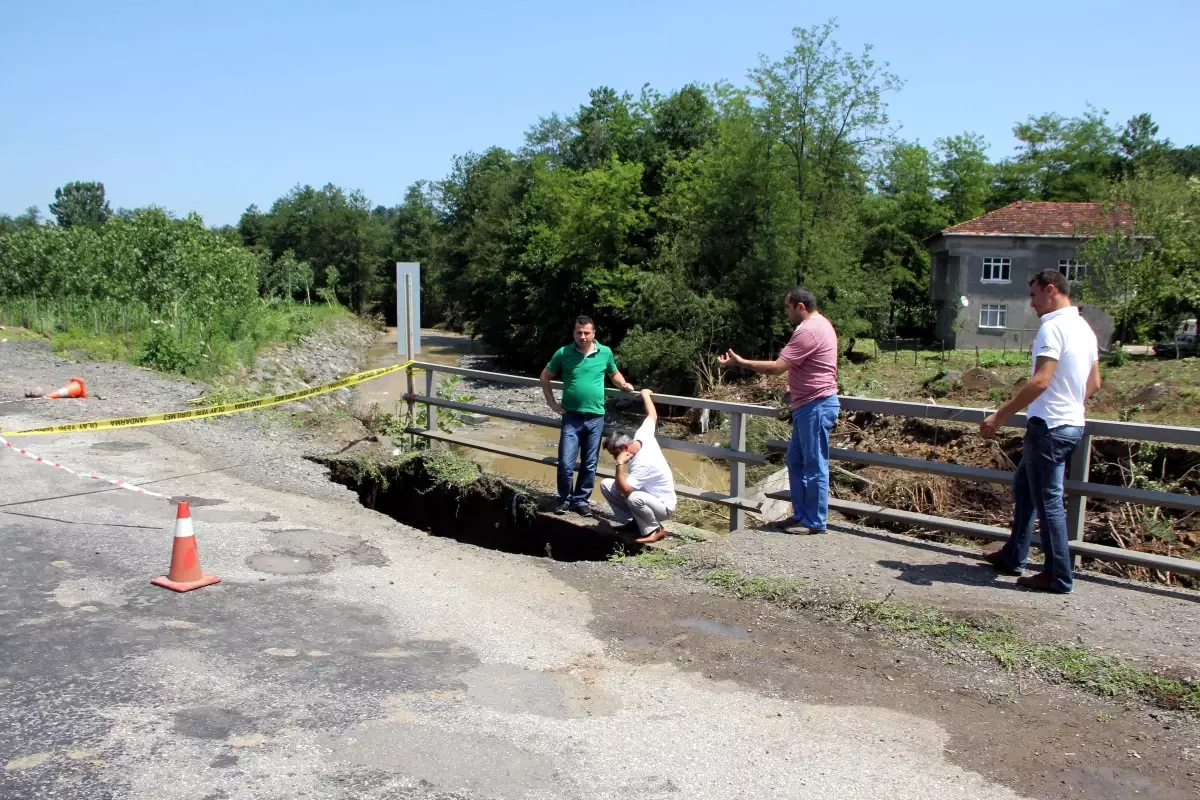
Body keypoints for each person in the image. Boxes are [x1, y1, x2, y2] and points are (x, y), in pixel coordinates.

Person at [980, 269, 1101, 594]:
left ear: (1051, 290)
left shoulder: (1053, 328)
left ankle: (1058, 575)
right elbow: (1094, 383)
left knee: (1047, 501)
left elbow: (1040, 380)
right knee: (1024, 488)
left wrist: (998, 417)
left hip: (1048, 427)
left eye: (1033, 295)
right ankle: (1013, 555)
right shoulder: (1084, 329)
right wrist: (1071, 404)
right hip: (1071, 424)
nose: (1031, 304)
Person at [718, 288, 839, 535]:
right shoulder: (821, 325)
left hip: (816, 405)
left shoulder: (808, 330)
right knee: (795, 461)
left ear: (800, 306)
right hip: (808, 404)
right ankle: (801, 515)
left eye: (787, 307)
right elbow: (807, 367)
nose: (785, 312)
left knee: (815, 465)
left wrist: (741, 363)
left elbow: (777, 367)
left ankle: (814, 522)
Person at [541, 316, 636, 516]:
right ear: (574, 333)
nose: (582, 337)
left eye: (586, 333)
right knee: (566, 462)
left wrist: (624, 385)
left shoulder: (605, 352)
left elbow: (614, 373)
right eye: (578, 332)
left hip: (596, 417)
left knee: (590, 462)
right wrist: (551, 403)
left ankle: (581, 501)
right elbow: (545, 377)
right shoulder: (563, 353)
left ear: (594, 334)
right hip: (571, 416)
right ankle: (565, 500)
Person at [600, 389, 677, 543]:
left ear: (624, 449)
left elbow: (626, 490)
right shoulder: (642, 436)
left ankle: (655, 529)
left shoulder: (644, 463)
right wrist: (645, 395)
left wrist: (620, 463)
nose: (615, 457)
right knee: (606, 485)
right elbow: (652, 416)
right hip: (647, 496)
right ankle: (635, 523)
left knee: (633, 496)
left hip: (662, 506)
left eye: (615, 454)